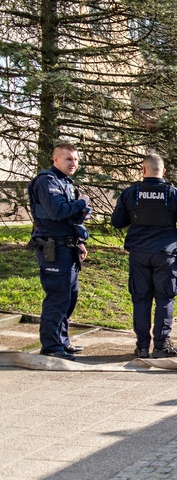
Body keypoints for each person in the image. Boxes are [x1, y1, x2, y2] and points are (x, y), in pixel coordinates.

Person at [111, 153, 177, 358]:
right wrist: (173, 236)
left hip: (139, 253)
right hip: (165, 254)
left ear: (143, 170)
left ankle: (142, 346)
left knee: (141, 299)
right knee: (165, 298)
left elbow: (117, 222)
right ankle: (161, 345)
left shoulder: (131, 193)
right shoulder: (174, 193)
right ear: (163, 172)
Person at [27, 142, 91, 361]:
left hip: (68, 246)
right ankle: (52, 346)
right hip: (53, 248)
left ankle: (62, 341)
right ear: (55, 160)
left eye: (75, 159)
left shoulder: (66, 183)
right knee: (57, 297)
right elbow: (57, 211)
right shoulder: (47, 181)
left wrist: (79, 241)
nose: (73, 163)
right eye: (68, 159)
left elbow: (70, 218)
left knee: (69, 297)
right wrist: (81, 203)